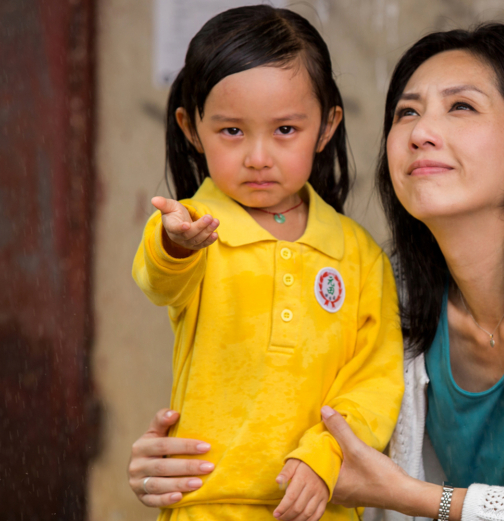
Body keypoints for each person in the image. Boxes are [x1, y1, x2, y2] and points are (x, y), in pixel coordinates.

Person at [129, 23, 504, 521]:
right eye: (407, 113)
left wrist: (414, 498)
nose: (421, 132)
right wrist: (182, 464)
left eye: (461, 107)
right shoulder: (393, 288)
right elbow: (306, 417)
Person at [129, 6, 403, 521]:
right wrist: (179, 244)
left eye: (284, 130)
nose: (258, 156)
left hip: (320, 508)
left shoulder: (359, 254)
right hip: (205, 506)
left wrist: (325, 456)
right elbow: (158, 277)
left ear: (325, 128)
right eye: (232, 131)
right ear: (192, 128)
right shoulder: (191, 226)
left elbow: (375, 381)